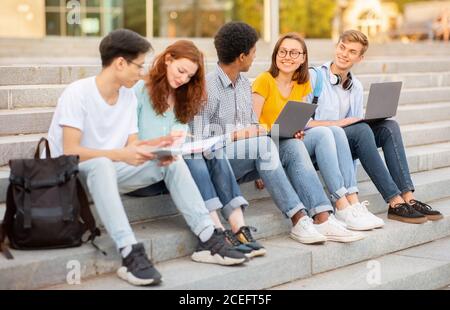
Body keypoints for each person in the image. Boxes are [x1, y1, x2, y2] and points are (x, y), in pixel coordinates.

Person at [46, 29, 246, 287]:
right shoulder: (79, 93)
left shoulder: (127, 96)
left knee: (170, 162)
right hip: (71, 174)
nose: (142, 73)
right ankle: (129, 252)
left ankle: (208, 237)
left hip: (112, 170)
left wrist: (157, 146)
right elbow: (70, 152)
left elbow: (132, 146)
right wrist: (121, 154)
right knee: (102, 165)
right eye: (138, 66)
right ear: (120, 63)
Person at [191, 22, 364, 244]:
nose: (255, 57)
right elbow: (197, 139)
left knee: (291, 144)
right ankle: (298, 217)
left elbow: (255, 126)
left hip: (251, 154)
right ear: (242, 56)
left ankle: (322, 217)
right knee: (263, 145)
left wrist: (281, 133)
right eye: (253, 52)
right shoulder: (206, 87)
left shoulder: (244, 84)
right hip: (218, 163)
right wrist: (235, 136)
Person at [134, 39, 264, 258]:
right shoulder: (140, 90)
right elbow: (131, 141)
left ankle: (238, 228)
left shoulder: (181, 96)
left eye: (189, 76)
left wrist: (187, 143)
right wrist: (165, 142)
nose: (183, 79)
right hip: (147, 168)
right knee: (193, 157)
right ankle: (216, 230)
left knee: (211, 150)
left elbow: (181, 140)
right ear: (168, 59)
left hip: (175, 167)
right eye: (181, 70)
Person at [307, 30, 443, 224]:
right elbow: (303, 124)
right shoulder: (314, 77)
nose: (344, 54)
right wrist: (338, 123)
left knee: (389, 127)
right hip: (321, 143)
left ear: (360, 58)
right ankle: (394, 201)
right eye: (342, 47)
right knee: (361, 129)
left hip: (345, 143)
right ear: (336, 46)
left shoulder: (356, 87)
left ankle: (408, 198)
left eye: (352, 52)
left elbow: (353, 129)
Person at [252, 32, 384, 231]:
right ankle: (341, 205)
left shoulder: (302, 84)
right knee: (328, 130)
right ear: (275, 55)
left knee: (332, 132)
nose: (288, 57)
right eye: (283, 51)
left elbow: (303, 122)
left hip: (291, 140)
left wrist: (297, 130)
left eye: (294, 53)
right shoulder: (264, 80)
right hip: (269, 143)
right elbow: (251, 125)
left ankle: (346, 204)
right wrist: (260, 168)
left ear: (303, 58)